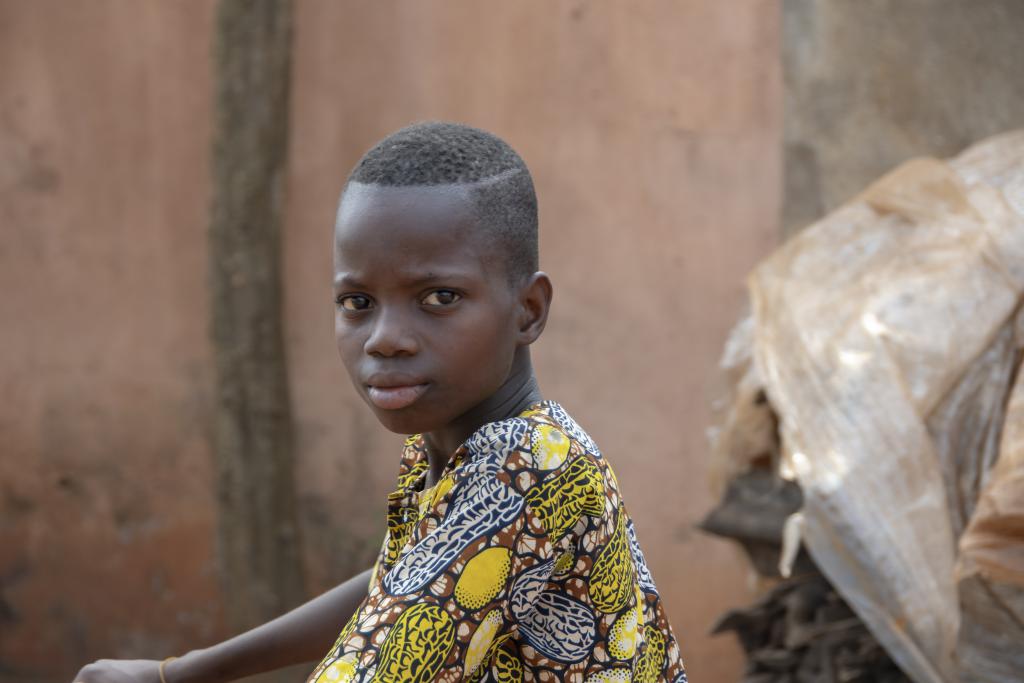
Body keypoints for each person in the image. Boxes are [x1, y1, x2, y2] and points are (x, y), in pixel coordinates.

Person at [74, 122, 687, 683]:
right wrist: (178, 673)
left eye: (440, 297)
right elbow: (395, 587)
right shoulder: (458, 446)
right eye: (356, 302)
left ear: (528, 311)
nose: (384, 338)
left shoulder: (522, 469)